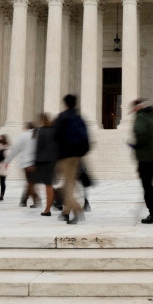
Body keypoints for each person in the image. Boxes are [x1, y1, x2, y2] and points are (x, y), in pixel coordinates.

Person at [53, 94, 90, 224]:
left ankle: (77, 210)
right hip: (76, 156)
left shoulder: (63, 117)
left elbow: (55, 136)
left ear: (66, 103)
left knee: (65, 187)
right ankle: (65, 212)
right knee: (69, 184)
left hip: (64, 156)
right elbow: (86, 139)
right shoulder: (78, 117)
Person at [130, 99, 153, 224]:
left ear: (137, 108)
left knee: (147, 187)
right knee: (149, 186)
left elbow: (140, 132)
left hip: (146, 157)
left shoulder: (142, 116)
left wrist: (136, 145)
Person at [5, 122, 39, 208]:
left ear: (27, 127)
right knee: (30, 182)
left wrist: (7, 161)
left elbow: (15, 149)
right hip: (36, 162)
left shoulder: (23, 136)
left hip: (27, 163)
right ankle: (24, 200)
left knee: (30, 183)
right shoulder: (37, 135)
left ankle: (35, 199)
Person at [35, 113, 58, 216]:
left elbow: (38, 147)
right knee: (49, 185)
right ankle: (54, 203)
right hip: (53, 160)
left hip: (44, 161)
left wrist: (35, 162)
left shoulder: (41, 131)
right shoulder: (53, 130)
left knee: (48, 185)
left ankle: (48, 209)